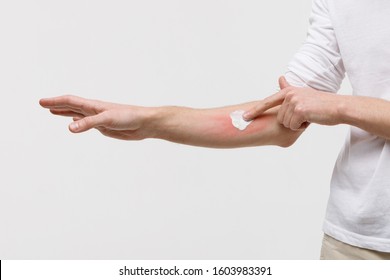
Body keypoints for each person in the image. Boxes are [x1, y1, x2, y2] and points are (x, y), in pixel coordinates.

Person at [40, 0, 390, 259]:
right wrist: (150, 121)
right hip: (355, 241)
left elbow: (323, 105)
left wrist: (342, 107)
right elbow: (282, 118)